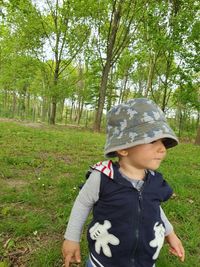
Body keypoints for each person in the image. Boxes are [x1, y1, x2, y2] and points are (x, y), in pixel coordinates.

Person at [62, 98, 185, 267]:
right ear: (123, 148)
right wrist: (71, 238)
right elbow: (82, 204)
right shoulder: (103, 177)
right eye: (152, 140)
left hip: (145, 261)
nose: (162, 148)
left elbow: (154, 207)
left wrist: (170, 234)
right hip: (104, 260)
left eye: (163, 141)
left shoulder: (154, 180)